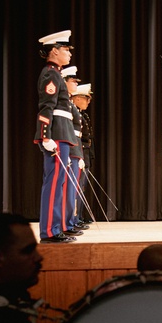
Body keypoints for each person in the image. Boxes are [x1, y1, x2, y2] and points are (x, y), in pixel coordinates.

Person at [34, 30, 79, 244]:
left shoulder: (56, 74)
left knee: (59, 183)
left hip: (63, 133)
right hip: (56, 134)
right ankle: (49, 232)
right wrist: (45, 136)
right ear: (54, 50)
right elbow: (46, 107)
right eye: (66, 50)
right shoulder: (50, 74)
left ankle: (57, 226)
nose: (69, 54)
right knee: (53, 184)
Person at [61, 66, 86, 236]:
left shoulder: (70, 106)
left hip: (75, 151)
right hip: (70, 150)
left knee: (73, 191)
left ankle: (70, 222)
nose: (75, 84)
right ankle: (66, 224)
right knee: (68, 191)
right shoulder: (66, 104)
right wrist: (73, 153)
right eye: (73, 81)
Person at [71, 82, 94, 227]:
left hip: (85, 152)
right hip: (79, 152)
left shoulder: (82, 115)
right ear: (77, 98)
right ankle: (74, 219)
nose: (88, 101)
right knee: (76, 187)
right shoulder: (74, 114)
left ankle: (78, 217)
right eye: (86, 98)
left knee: (82, 187)